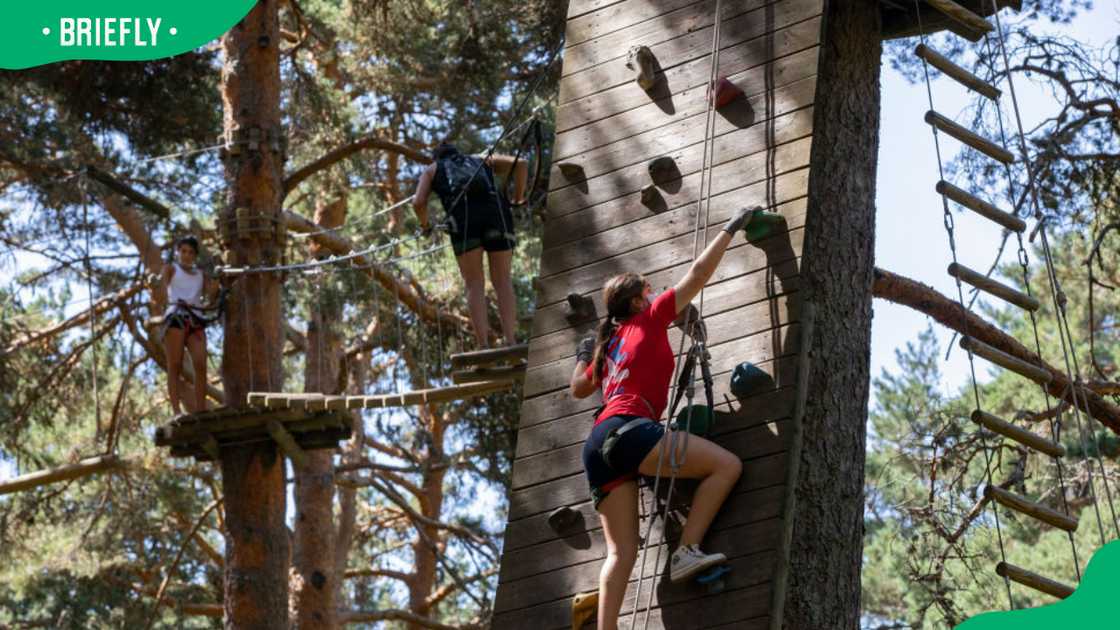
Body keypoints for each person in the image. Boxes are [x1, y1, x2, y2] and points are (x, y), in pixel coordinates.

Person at [569, 206, 758, 630]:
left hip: (598, 446)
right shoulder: (649, 319)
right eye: (649, 294)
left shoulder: (608, 344)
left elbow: (579, 388)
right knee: (727, 466)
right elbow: (697, 274)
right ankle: (687, 550)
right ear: (637, 301)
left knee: (621, 553)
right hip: (630, 431)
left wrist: (583, 355)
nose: (655, 299)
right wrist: (731, 226)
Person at [412, 142, 527, 348]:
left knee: (474, 283)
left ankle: (483, 345)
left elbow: (418, 202)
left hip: (464, 223)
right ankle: (511, 341)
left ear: (436, 157)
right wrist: (518, 200)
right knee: (502, 280)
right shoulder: (479, 159)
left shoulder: (432, 170)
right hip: (497, 216)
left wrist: (426, 225)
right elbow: (522, 164)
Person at [159, 236, 216, 418]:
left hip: (195, 319)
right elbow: (160, 290)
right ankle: (176, 411)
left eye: (190, 252)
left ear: (195, 255)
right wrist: (156, 283)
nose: (186, 255)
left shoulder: (200, 274)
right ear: (177, 252)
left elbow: (211, 295)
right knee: (174, 365)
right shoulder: (171, 269)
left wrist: (215, 282)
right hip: (175, 317)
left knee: (200, 364)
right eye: (183, 251)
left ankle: (201, 409)